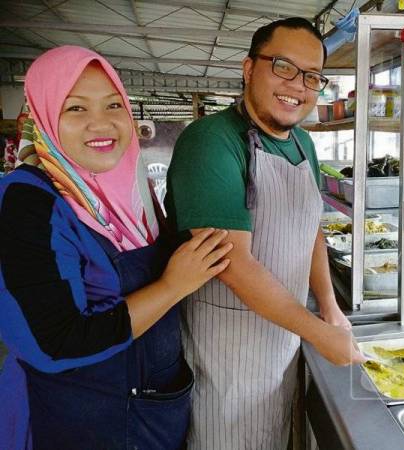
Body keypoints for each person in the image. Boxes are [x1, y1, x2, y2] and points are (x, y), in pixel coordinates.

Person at [0, 45, 232, 450]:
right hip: (78, 421)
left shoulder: (133, 192)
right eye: (75, 109)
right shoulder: (25, 203)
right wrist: (173, 286)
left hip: (151, 414)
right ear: (44, 117)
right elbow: (52, 344)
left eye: (113, 106)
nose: (101, 124)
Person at [166, 17, 366, 450]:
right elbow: (232, 264)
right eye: (283, 66)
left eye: (312, 75)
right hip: (228, 351)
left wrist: (329, 308)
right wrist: (317, 332)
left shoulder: (304, 145)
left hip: (283, 338)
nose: (298, 85)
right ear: (249, 68)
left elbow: (311, 227)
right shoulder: (211, 141)